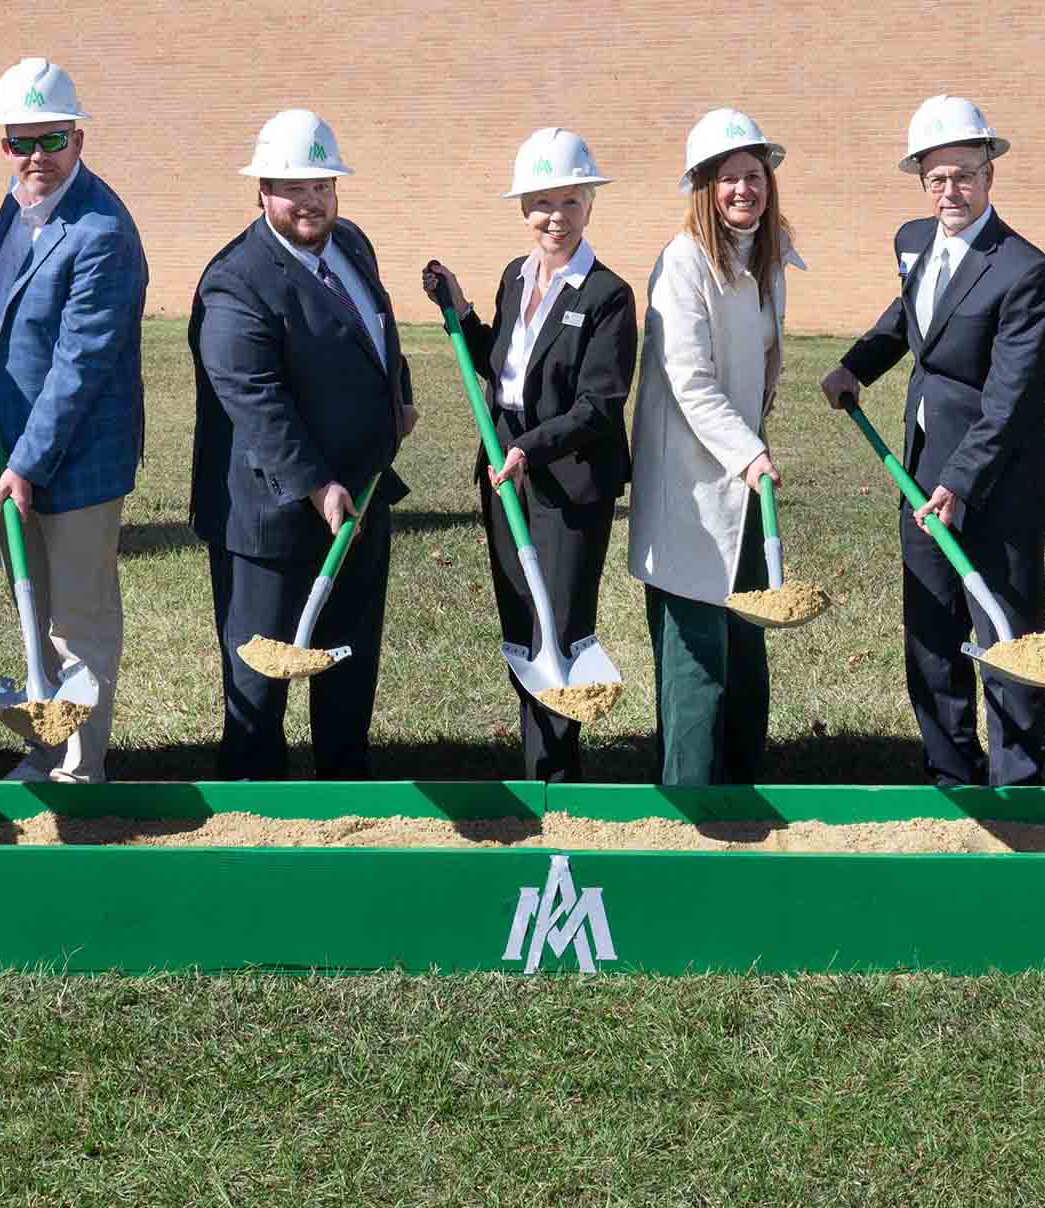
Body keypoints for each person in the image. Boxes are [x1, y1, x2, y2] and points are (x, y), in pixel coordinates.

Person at [823, 95, 1045, 790]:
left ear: (990, 176)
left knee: (1004, 633)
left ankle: (1016, 784)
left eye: (964, 175)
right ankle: (950, 769)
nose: (950, 191)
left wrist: (959, 482)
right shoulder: (913, 240)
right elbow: (910, 315)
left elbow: (1011, 400)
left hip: (996, 482)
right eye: (936, 178)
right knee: (932, 633)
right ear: (921, 181)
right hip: (922, 471)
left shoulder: (1026, 271)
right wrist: (856, 365)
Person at [188, 110, 416, 781]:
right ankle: (254, 819)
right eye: (293, 187)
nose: (310, 200)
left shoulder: (352, 246)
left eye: (321, 184)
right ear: (262, 191)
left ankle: (345, 802)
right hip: (270, 520)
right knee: (260, 689)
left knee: (348, 672)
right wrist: (317, 484)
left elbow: (374, 329)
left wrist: (396, 395)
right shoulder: (236, 279)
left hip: (360, 498)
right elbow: (254, 398)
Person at [423, 127, 636, 783]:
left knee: (562, 629)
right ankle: (535, 766)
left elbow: (597, 406)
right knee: (523, 626)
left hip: (569, 486)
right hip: (505, 477)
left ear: (589, 205)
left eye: (570, 202)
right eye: (542, 203)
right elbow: (504, 367)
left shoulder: (609, 296)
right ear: (523, 210)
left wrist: (525, 448)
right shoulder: (516, 277)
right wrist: (461, 311)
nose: (556, 218)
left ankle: (560, 781)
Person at [0, 57, 146, 785]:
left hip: (74, 460)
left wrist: (27, 465)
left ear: (79, 138)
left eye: (52, 140)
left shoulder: (100, 231)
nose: (35, 157)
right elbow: (6, 290)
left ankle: (78, 769)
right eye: (20, 141)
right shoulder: (20, 201)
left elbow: (80, 367)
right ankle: (45, 746)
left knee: (79, 622)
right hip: (23, 450)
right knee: (35, 614)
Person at [629, 109, 794, 788]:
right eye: (728, 178)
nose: (742, 189)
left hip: (744, 482)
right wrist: (748, 450)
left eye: (752, 176)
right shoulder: (683, 263)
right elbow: (689, 380)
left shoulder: (766, 257)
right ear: (704, 186)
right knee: (695, 654)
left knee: (745, 645)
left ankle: (743, 788)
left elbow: (761, 362)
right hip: (693, 488)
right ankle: (690, 806)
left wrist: (752, 451)